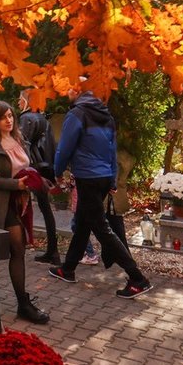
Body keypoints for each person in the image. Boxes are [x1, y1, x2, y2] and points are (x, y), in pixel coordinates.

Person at [48, 81, 151, 298]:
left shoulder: (76, 114)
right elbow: (112, 150)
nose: (66, 91)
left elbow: (64, 148)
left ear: (78, 91)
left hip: (88, 177)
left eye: (69, 88)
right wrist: (112, 179)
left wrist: (57, 172)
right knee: (83, 224)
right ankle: (68, 269)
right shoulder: (106, 115)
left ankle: (137, 278)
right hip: (103, 177)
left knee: (101, 228)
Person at [0, 100, 50, 324]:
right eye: (3, 117)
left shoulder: (19, 138)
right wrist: (15, 184)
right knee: (7, 249)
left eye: (10, 116)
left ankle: (22, 303)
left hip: (20, 202)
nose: (8, 120)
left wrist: (33, 179)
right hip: (1, 203)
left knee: (14, 250)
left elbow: (25, 166)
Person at [17, 91, 63, 264]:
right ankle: (53, 251)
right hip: (44, 167)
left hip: (33, 169)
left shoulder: (26, 118)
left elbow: (23, 145)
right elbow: (51, 145)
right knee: (46, 210)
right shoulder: (43, 118)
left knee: (22, 205)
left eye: (20, 99)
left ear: (26, 101)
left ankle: (19, 245)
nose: (18, 103)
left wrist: (23, 168)